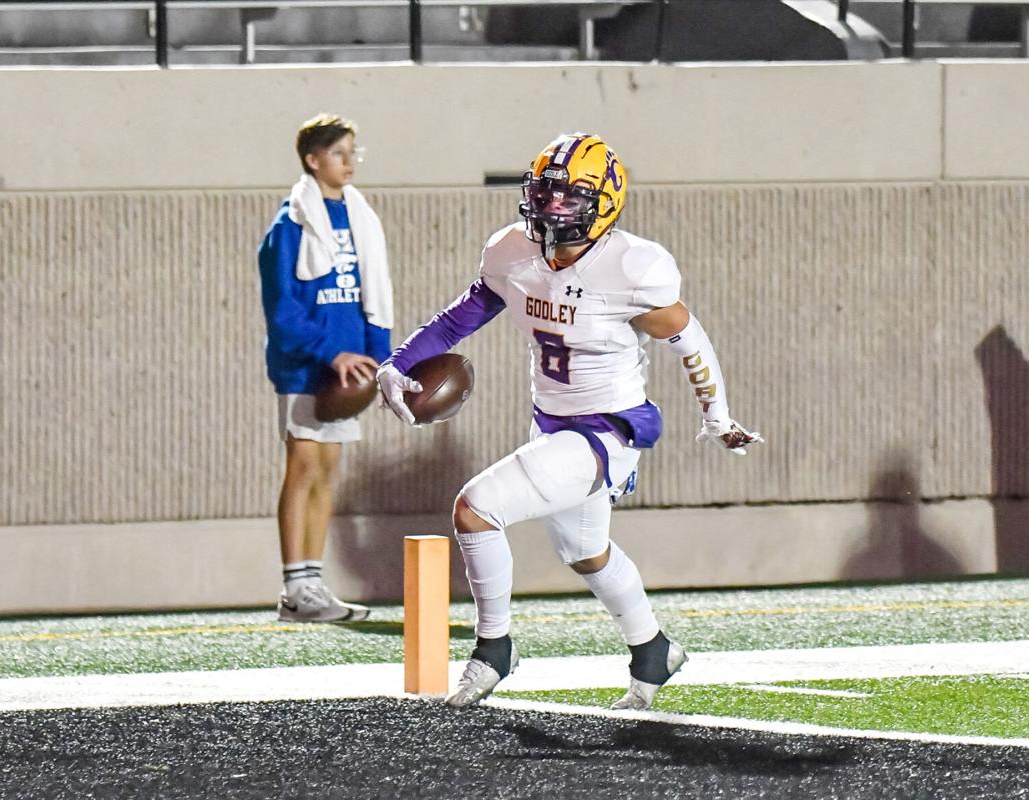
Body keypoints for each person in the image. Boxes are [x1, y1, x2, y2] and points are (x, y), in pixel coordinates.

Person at [377, 132, 760, 710]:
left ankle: (494, 649)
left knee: (475, 509)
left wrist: (718, 416)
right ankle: (653, 650)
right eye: (546, 193)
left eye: (571, 196)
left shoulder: (632, 267)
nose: (554, 207)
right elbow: (459, 318)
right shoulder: (512, 252)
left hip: (608, 430)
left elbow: (690, 340)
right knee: (587, 553)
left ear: (605, 201)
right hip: (552, 426)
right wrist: (397, 363)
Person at [257, 113, 394, 622]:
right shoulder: (289, 225)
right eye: (339, 153)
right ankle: (295, 588)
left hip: (349, 370)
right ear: (314, 161)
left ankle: (312, 583)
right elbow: (282, 312)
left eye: (353, 151)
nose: (349, 161)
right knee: (303, 467)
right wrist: (329, 352)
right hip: (306, 367)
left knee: (328, 471)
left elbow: (373, 299)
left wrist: (380, 364)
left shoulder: (360, 218)